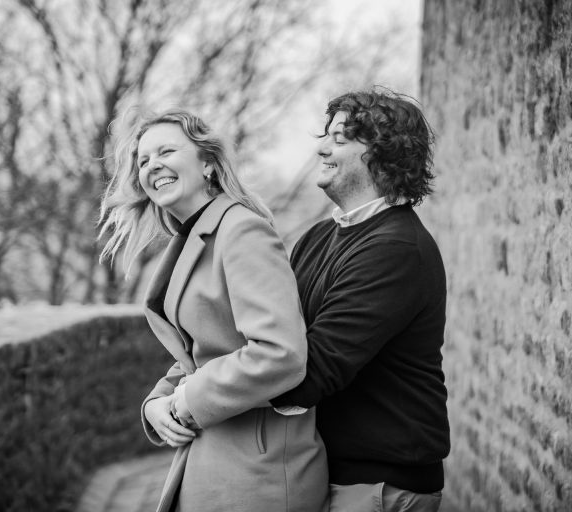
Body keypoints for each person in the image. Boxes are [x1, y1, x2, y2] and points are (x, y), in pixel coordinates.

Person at [98, 108, 329, 512]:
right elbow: (207, 349)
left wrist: (188, 399)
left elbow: (281, 353)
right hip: (217, 456)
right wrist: (157, 402)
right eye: (143, 160)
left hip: (260, 471)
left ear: (207, 162)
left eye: (166, 151)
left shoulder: (242, 230)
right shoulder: (192, 237)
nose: (153, 166)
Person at [270, 89, 450, 512]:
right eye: (326, 134)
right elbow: (274, 334)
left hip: (378, 485)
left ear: (381, 153)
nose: (321, 146)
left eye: (340, 137)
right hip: (327, 472)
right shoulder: (317, 237)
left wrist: (199, 397)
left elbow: (309, 373)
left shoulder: (397, 248)